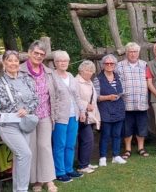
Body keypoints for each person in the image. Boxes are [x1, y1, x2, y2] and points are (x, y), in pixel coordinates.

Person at [0, 50, 38, 192]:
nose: (13, 63)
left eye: (16, 61)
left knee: (19, 157)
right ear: (4, 63)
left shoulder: (27, 79)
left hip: (25, 123)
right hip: (8, 124)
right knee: (25, 154)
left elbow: (36, 99)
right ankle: (22, 190)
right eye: (10, 60)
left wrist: (27, 110)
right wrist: (17, 109)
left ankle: (18, 189)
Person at [19, 40, 58, 191]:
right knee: (31, 148)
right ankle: (36, 181)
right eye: (36, 53)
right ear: (29, 53)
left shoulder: (48, 72)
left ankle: (48, 180)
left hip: (45, 115)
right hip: (27, 117)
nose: (39, 56)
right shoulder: (20, 70)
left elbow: (54, 94)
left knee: (45, 146)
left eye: (42, 54)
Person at [52, 50, 86, 182]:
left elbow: (77, 96)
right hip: (60, 116)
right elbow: (52, 98)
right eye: (60, 61)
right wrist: (53, 117)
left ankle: (69, 169)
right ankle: (59, 172)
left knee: (70, 144)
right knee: (60, 145)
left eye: (65, 61)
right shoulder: (52, 77)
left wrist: (82, 111)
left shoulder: (71, 76)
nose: (63, 63)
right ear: (55, 63)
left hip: (74, 115)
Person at [116, 42, 149, 159]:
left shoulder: (145, 65)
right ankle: (128, 149)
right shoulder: (119, 66)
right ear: (126, 53)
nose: (133, 54)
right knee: (127, 127)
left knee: (142, 126)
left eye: (135, 52)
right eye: (130, 52)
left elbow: (150, 81)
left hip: (141, 101)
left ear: (138, 53)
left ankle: (141, 148)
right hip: (126, 102)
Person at [94, 54, 126, 166]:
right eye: (106, 63)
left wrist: (120, 95)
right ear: (103, 65)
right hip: (105, 109)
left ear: (115, 65)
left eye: (111, 63)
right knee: (105, 135)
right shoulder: (98, 79)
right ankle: (102, 157)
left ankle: (116, 156)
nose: (109, 65)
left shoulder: (119, 77)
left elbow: (123, 90)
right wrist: (108, 97)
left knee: (117, 134)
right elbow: (96, 97)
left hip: (118, 108)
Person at [75, 60, 100, 174]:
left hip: (89, 115)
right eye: (87, 70)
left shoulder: (89, 82)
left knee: (87, 140)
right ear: (81, 70)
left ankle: (85, 163)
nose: (89, 72)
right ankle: (82, 165)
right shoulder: (76, 82)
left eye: (91, 71)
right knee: (87, 139)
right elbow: (75, 98)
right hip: (82, 115)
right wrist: (86, 105)